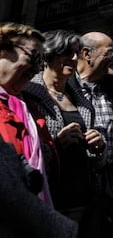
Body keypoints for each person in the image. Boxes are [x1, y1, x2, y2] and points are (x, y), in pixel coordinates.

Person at [23, 29, 106, 232]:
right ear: (50, 54)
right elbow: (24, 148)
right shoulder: (27, 94)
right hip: (47, 195)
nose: (75, 58)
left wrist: (98, 144)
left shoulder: (83, 101)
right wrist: (55, 143)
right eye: (68, 53)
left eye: (77, 53)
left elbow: (96, 159)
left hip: (83, 196)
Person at [0, 22, 78, 237]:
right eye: (32, 57)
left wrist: (55, 147)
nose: (36, 68)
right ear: (3, 51)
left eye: (39, 61)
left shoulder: (27, 107)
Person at [67, 31, 113, 236]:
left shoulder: (110, 88)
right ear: (86, 54)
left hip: (108, 189)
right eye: (109, 54)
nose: (112, 61)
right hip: (74, 190)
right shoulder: (64, 86)